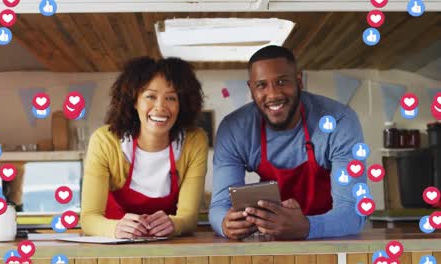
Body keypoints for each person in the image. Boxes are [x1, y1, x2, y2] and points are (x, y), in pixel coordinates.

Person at [209, 45, 367, 240]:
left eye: (282, 82)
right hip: (271, 243)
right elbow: (219, 207)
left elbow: (354, 211)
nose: (273, 94)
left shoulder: (339, 121)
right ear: (251, 89)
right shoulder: (234, 129)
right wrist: (226, 225)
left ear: (299, 81)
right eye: (261, 85)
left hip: (331, 239)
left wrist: (308, 227)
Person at [81, 56, 208, 239]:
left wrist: (175, 224)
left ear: (182, 104)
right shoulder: (105, 141)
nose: (160, 107)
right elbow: (89, 218)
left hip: (167, 250)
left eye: (171, 98)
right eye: (150, 96)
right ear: (134, 101)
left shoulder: (195, 141)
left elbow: (189, 218)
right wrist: (115, 228)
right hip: (112, 247)